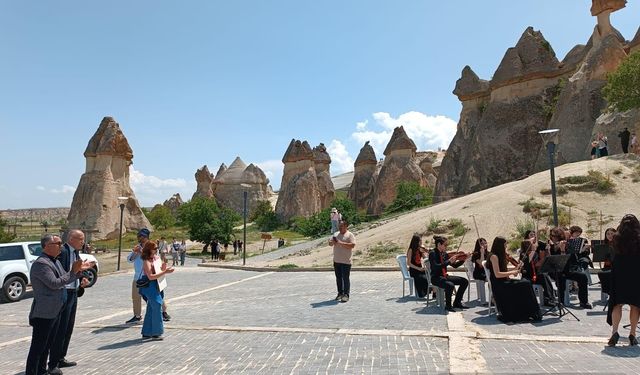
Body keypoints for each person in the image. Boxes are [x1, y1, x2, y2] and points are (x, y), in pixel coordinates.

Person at [25, 234, 94, 375]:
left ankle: (42, 371)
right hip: (44, 311)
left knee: (47, 344)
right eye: (58, 243)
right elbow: (54, 283)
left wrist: (79, 272)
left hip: (55, 309)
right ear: (47, 246)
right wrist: (73, 271)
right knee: (38, 347)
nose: (61, 246)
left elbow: (65, 278)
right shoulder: (41, 264)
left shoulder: (54, 261)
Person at [48, 230, 91, 373]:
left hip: (73, 293)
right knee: (60, 328)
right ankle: (53, 361)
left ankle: (61, 357)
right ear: (72, 239)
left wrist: (82, 277)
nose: (83, 242)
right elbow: (62, 273)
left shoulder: (75, 252)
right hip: (64, 293)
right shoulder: (64, 252)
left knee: (68, 327)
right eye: (81, 239)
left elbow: (76, 269)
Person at [486, 236, 541, 323]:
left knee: (526, 283)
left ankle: (529, 312)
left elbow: (503, 271)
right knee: (525, 284)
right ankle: (529, 312)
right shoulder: (494, 257)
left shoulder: (499, 256)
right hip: (499, 284)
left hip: (503, 281)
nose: (506, 246)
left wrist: (516, 269)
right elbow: (497, 274)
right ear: (500, 245)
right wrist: (512, 273)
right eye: (505, 244)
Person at [607, 214, 640, 347]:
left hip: (619, 272)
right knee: (635, 305)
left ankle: (614, 332)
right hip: (636, 272)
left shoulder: (616, 238)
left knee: (617, 304)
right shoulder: (639, 239)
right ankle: (632, 334)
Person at [126, 229, 171, 324]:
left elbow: (153, 258)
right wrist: (135, 252)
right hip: (138, 277)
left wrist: (141, 251)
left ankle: (164, 312)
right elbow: (129, 260)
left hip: (150, 276)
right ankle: (137, 315)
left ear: (146, 237)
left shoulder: (152, 246)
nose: (139, 238)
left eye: (141, 236)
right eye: (139, 236)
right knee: (136, 297)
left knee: (155, 296)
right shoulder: (137, 247)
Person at [547, 227, 592, 309]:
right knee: (561, 278)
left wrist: (564, 249)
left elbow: (568, 260)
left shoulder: (567, 244)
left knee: (583, 277)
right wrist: (559, 250)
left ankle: (583, 301)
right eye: (552, 236)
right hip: (555, 271)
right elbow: (554, 261)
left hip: (567, 270)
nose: (553, 238)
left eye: (555, 236)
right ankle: (561, 302)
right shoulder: (550, 246)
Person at [139, 241, 174, 340]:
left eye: (157, 248)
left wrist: (164, 269)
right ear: (149, 249)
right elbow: (150, 276)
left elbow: (159, 271)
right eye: (154, 248)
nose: (156, 249)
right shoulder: (146, 261)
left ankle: (147, 332)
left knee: (151, 307)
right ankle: (156, 332)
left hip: (157, 284)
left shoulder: (156, 259)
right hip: (149, 286)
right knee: (157, 305)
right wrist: (165, 271)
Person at [428, 236, 468, 312]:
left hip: (444, 276)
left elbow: (455, 266)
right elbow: (435, 267)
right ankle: (448, 306)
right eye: (445, 245)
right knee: (450, 285)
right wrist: (449, 261)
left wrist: (464, 259)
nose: (446, 247)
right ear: (439, 244)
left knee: (464, 281)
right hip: (436, 277)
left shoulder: (444, 254)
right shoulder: (432, 253)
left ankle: (457, 302)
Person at [519, 239, 555, 307]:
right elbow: (537, 264)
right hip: (529, 277)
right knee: (544, 276)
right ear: (528, 245)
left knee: (545, 275)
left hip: (534, 275)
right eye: (533, 243)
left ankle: (549, 298)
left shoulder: (533, 253)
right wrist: (543, 257)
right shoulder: (524, 254)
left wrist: (547, 251)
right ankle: (548, 299)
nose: (535, 244)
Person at [329, 220, 356, 303]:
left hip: (346, 261)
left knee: (345, 279)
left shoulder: (350, 235)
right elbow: (330, 243)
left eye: (341, 226)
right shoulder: (336, 234)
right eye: (339, 226)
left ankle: (346, 294)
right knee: (338, 278)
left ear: (346, 226)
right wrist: (332, 242)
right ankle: (340, 293)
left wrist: (340, 242)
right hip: (336, 260)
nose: (340, 228)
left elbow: (352, 245)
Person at [597, 227, 616, 295]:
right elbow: (600, 258)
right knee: (601, 274)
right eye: (608, 234)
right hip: (607, 266)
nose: (610, 235)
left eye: (612, 234)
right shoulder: (604, 244)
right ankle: (606, 293)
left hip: (616, 266)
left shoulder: (618, 244)